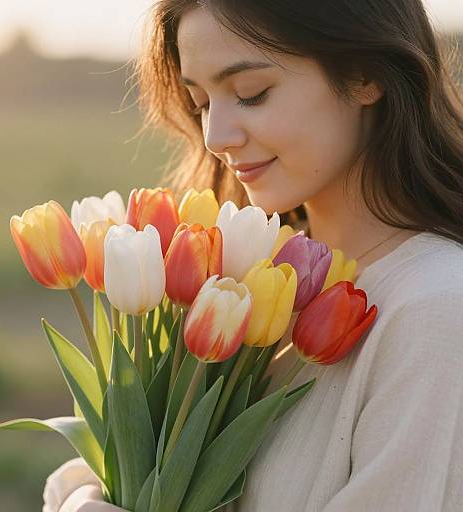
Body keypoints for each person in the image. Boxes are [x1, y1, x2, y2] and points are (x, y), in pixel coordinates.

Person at [43, 0, 463, 510]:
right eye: (200, 102)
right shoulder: (236, 279)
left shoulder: (435, 311)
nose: (215, 137)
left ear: (364, 75)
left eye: (251, 93)